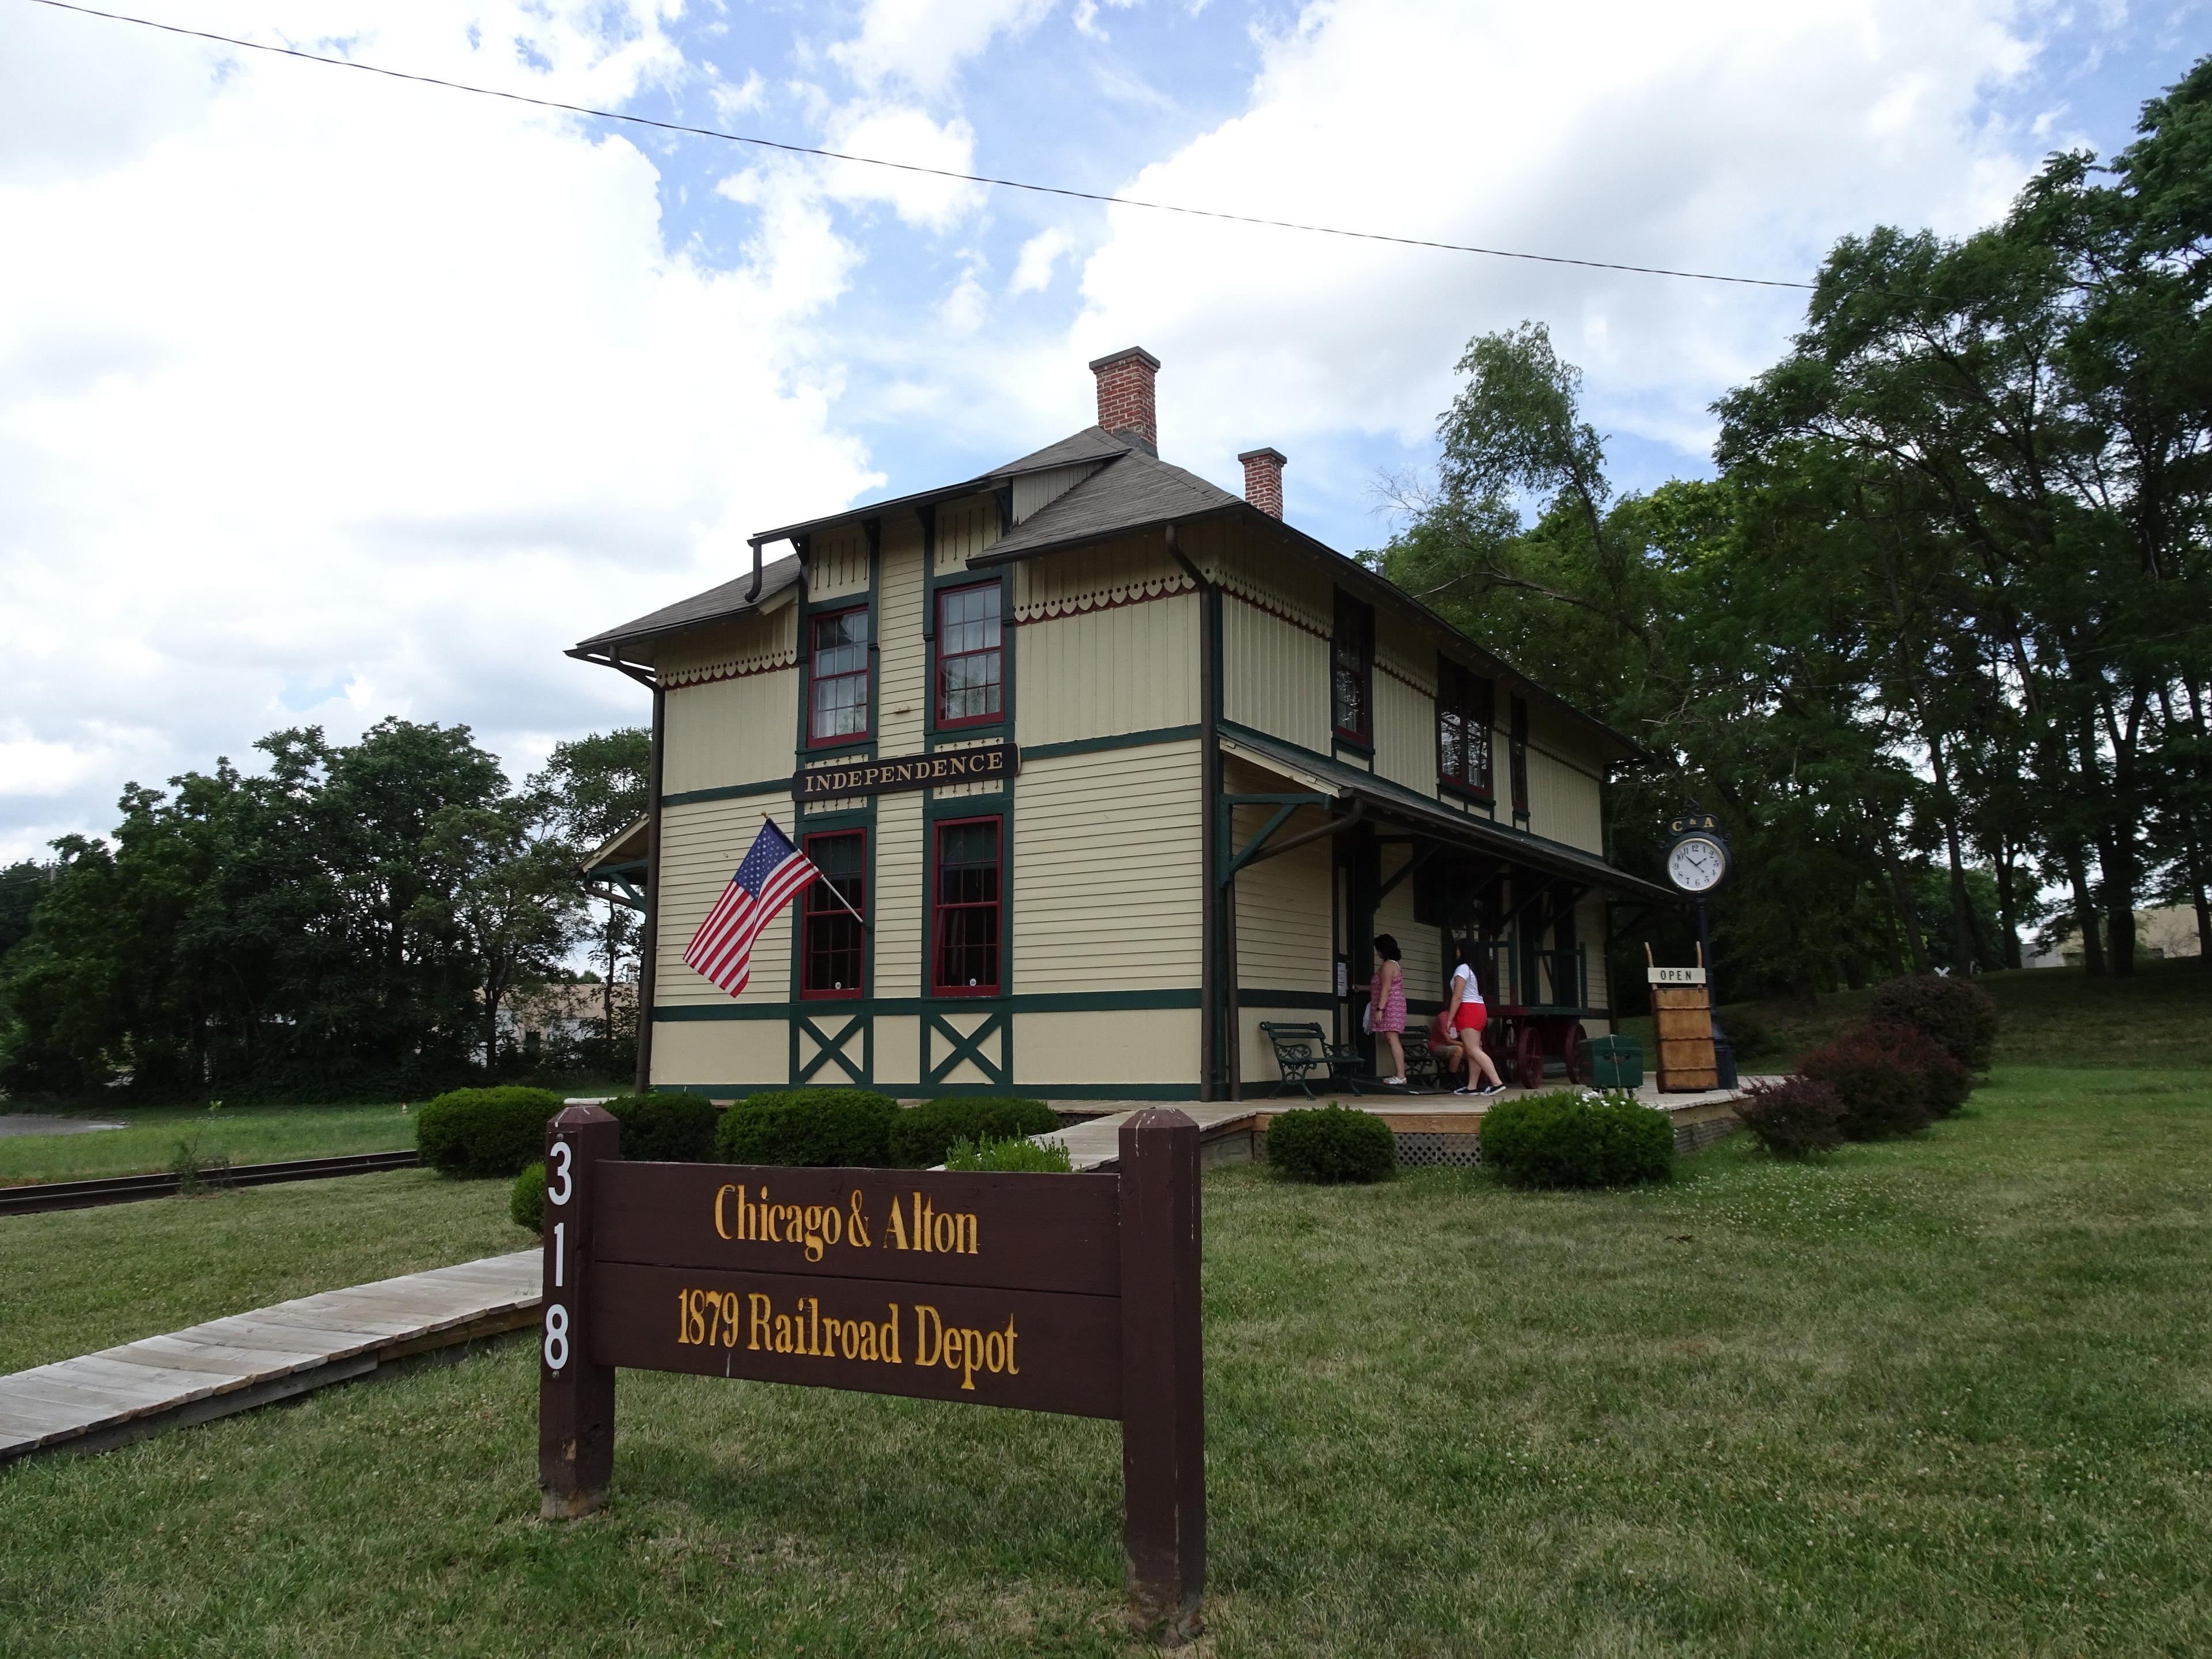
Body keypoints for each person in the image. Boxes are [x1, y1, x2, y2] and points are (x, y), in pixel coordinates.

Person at [1446, 937, 1506, 1096]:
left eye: (1458, 949)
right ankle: (1472, 1086)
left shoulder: (1462, 969)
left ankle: (1496, 1082)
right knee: (1474, 1049)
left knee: (1473, 1050)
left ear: (1463, 951)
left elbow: (1457, 996)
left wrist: (1450, 1018)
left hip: (1468, 1009)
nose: (1456, 952)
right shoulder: (1475, 969)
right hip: (1480, 1009)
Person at [1368, 934, 1409, 1086]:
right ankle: (1400, 1075)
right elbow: (1380, 987)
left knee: (1393, 1039)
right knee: (1392, 1038)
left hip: (1391, 1005)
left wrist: (1380, 1009)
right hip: (1395, 1004)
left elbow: (1386, 988)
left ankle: (1401, 1075)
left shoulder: (1388, 965)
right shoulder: (1395, 964)